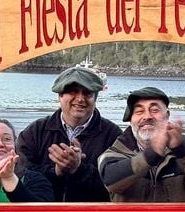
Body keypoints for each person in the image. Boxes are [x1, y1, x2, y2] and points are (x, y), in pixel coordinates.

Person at [17, 65, 122, 202]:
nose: (80, 99)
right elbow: (19, 172)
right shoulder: (35, 131)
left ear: (95, 98)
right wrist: (55, 171)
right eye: (73, 91)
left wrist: (79, 169)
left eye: (87, 93)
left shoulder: (113, 135)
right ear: (59, 96)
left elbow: (119, 184)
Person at [98, 87, 185, 202]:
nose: (147, 116)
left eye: (155, 110)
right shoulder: (116, 152)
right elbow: (110, 182)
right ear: (131, 120)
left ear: (167, 115)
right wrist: (151, 155)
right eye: (139, 111)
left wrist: (181, 150)